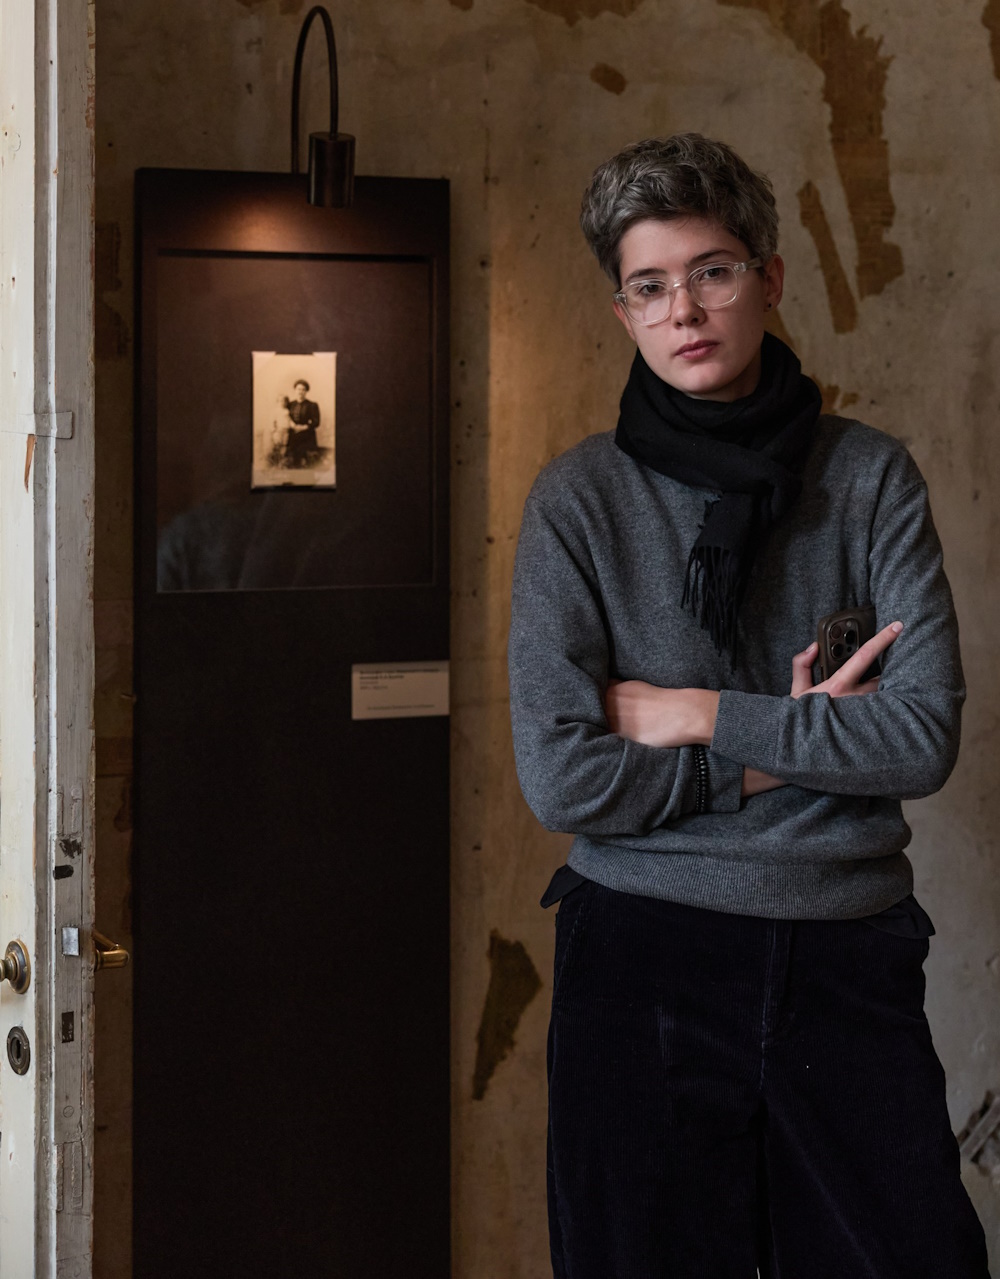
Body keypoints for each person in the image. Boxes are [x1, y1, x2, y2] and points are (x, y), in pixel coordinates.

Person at [508, 134, 989, 1279]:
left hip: (845, 950)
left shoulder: (867, 477)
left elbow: (919, 735)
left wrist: (691, 711)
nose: (684, 310)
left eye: (712, 271)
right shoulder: (578, 500)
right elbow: (564, 777)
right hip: (642, 957)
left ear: (768, 278)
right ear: (622, 312)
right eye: (649, 286)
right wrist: (790, 745)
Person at [282, 378, 321, 466]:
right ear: (295, 390)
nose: (300, 392)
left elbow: (316, 421)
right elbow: (285, 417)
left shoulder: (312, 405)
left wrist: (303, 427)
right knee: (290, 461)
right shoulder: (290, 404)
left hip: (306, 435)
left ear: (306, 391)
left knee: (305, 462)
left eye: (303, 389)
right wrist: (293, 426)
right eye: (298, 389)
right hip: (292, 434)